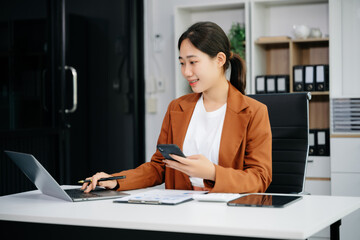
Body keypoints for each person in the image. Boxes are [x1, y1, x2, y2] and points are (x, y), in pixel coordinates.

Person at [81, 21, 272, 194]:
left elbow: (260, 179)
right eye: (182, 63)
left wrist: (213, 173)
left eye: (193, 62)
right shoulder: (177, 108)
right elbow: (159, 167)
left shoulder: (254, 112)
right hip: (179, 214)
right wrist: (115, 181)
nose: (186, 72)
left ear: (220, 60)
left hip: (228, 214)